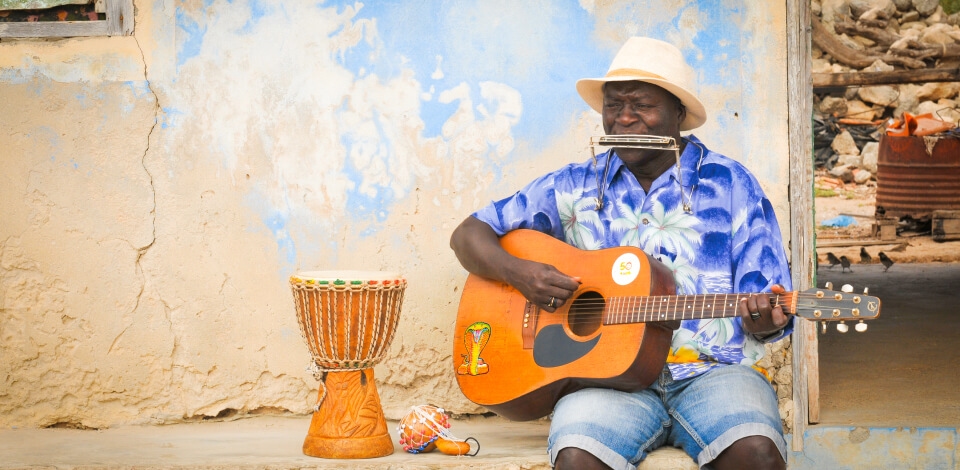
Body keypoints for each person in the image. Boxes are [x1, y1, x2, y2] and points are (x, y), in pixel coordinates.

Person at [450, 37, 792, 470]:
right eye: (614, 106)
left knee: (757, 452)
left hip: (713, 374)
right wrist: (521, 274)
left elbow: (768, 303)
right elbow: (468, 235)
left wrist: (764, 320)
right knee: (577, 457)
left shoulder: (731, 184)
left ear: (679, 113)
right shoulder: (575, 184)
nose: (625, 119)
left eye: (642, 105)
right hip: (607, 382)